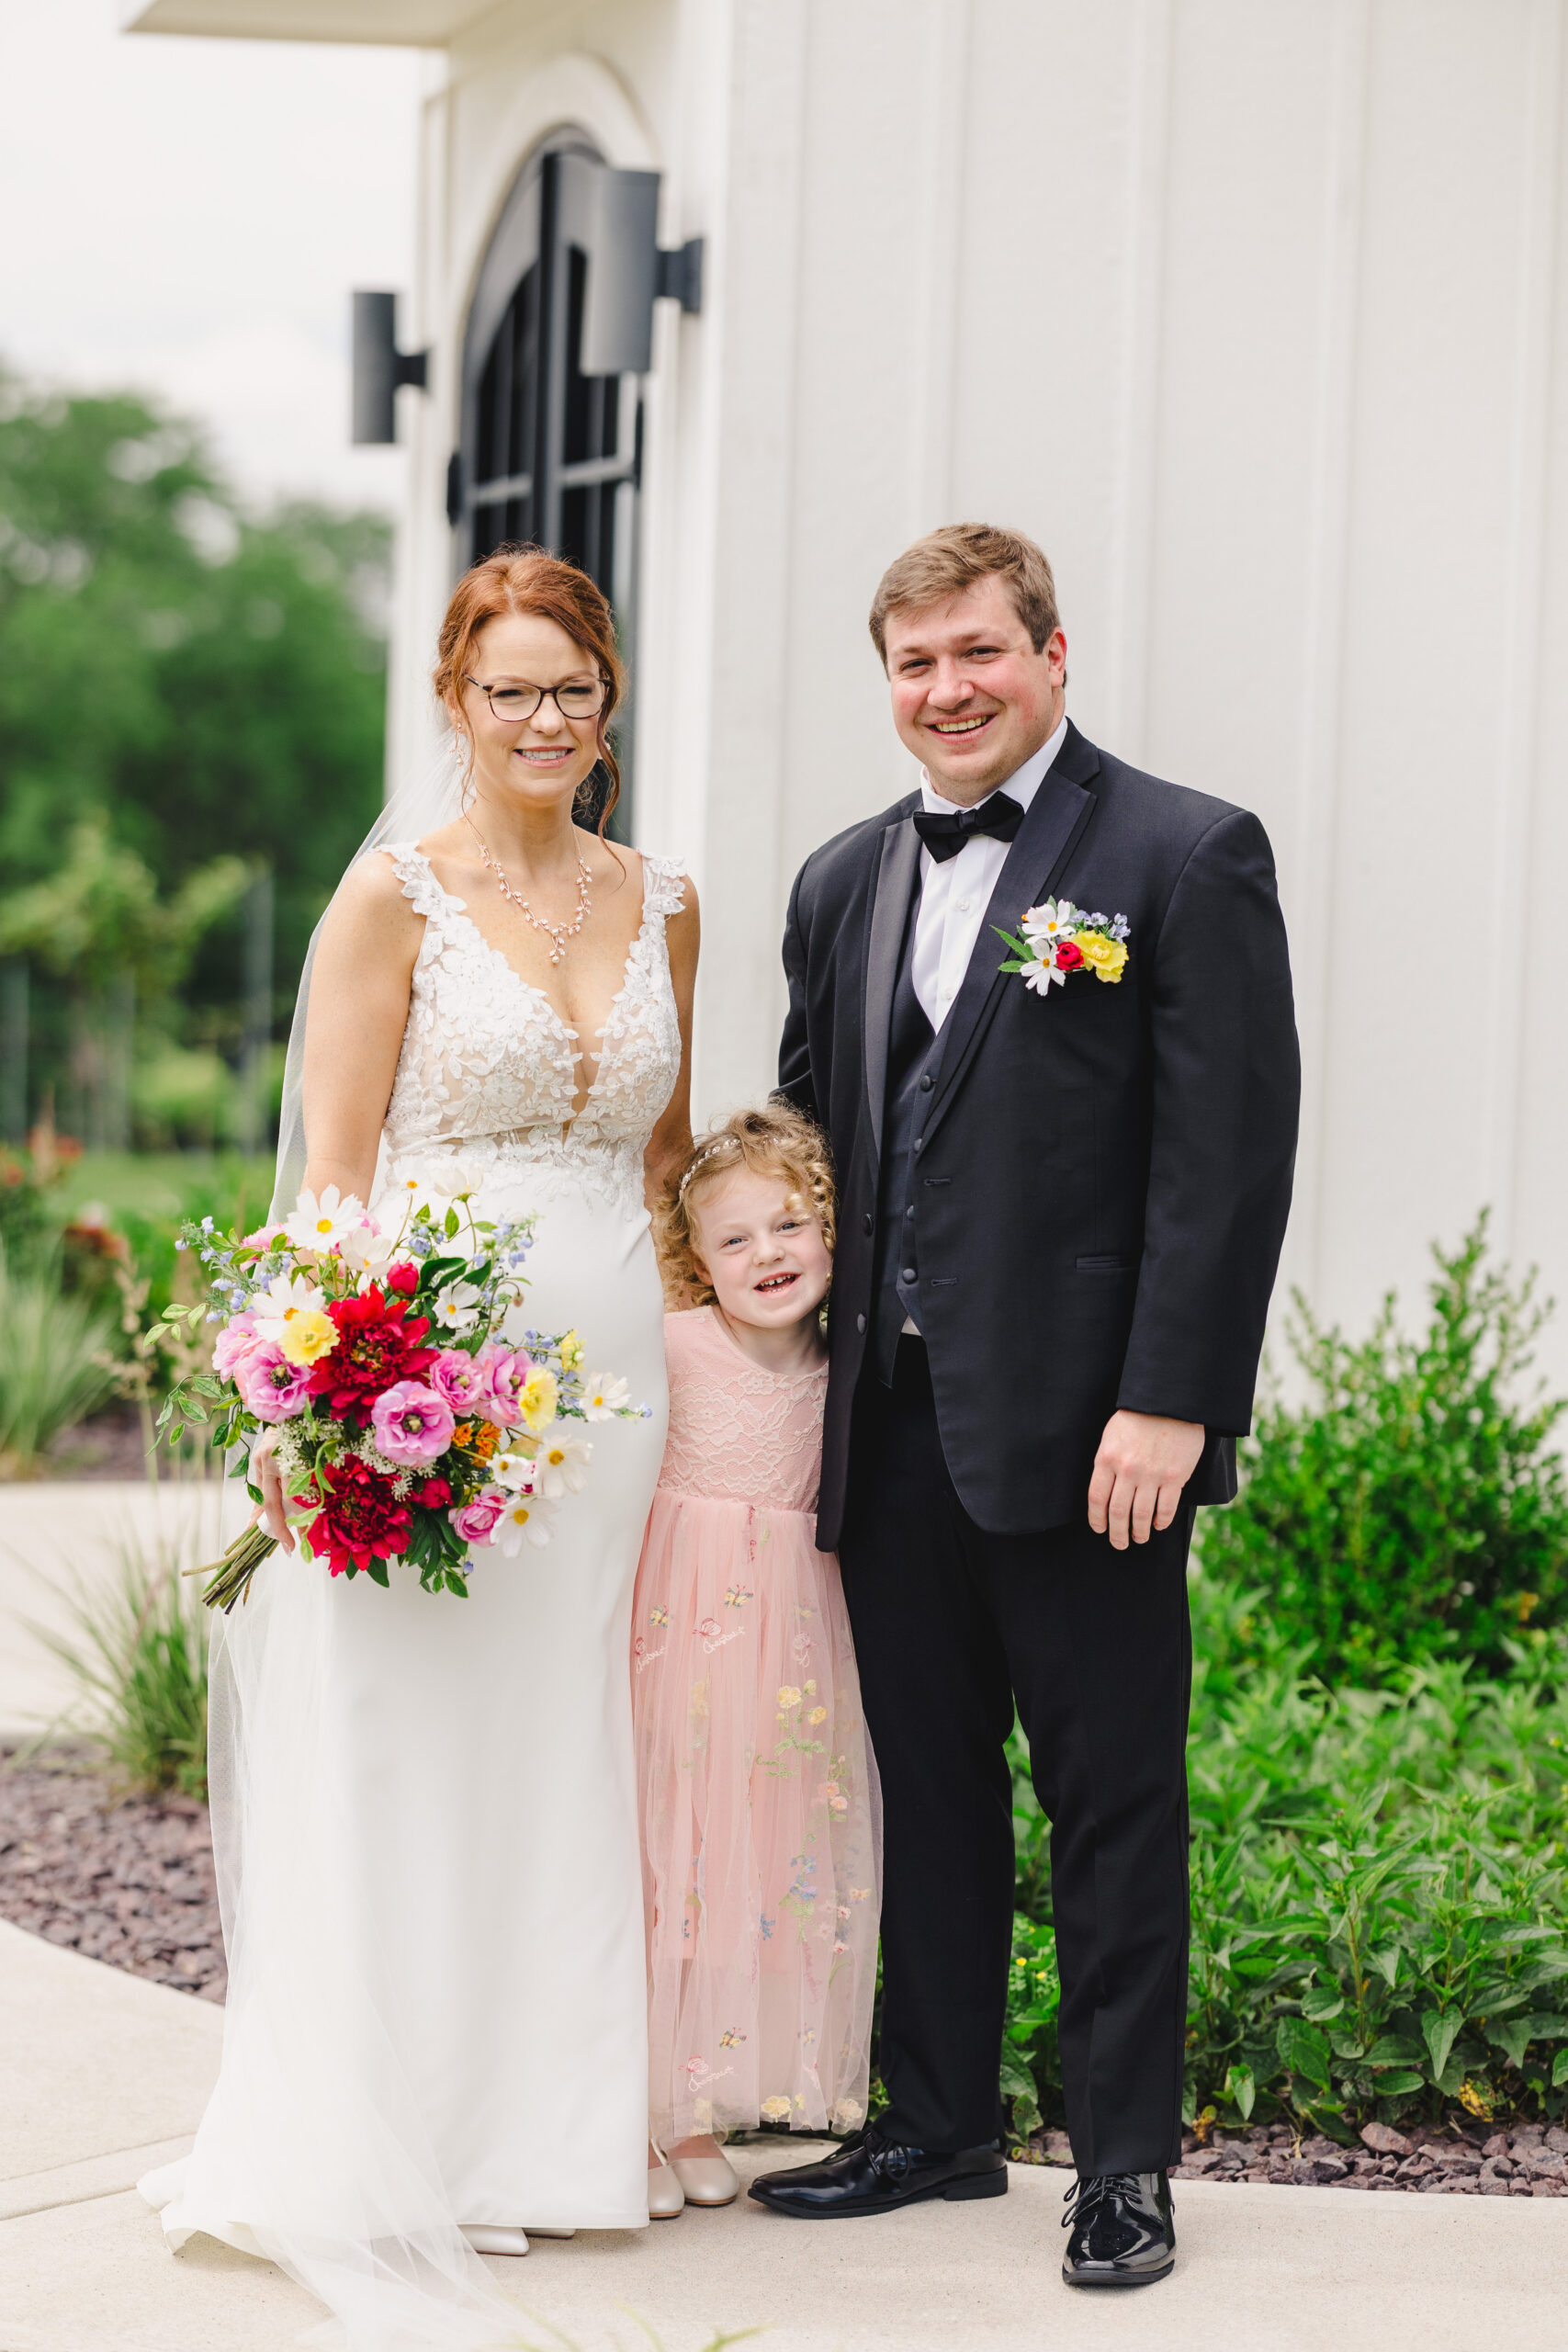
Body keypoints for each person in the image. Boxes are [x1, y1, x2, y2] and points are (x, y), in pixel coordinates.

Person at [141, 546, 698, 2346]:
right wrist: (327, 1398)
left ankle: (543, 2137)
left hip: (610, 1399)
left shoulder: (666, 898)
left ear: (606, 701)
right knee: (405, 1740)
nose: (543, 717)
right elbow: (332, 1173)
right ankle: (390, 2143)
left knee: (558, 1741)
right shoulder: (391, 899)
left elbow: (663, 1166)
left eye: (572, 686)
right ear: (455, 701)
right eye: (508, 686)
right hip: (426, 1390)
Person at [752, 523, 1298, 2287]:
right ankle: (937, 2121)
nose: (947, 690)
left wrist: (1173, 1402)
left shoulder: (1179, 852)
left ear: (1051, 654)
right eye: (913, 664)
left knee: (1110, 1800)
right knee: (923, 1786)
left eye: (978, 652)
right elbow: (810, 1145)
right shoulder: (842, 879)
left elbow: (1223, 1166)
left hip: (1091, 1437)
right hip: (883, 1423)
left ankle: (1123, 2163)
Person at [631, 1106, 879, 2220]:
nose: (768, 1254)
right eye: (735, 1240)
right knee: (662, 1856)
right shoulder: (671, 1345)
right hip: (675, 1644)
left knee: (753, 1872)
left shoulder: (848, 1365)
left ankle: (709, 2093)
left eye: (789, 1223)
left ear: (830, 1225)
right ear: (697, 1263)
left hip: (787, 1655)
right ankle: (648, 2113)